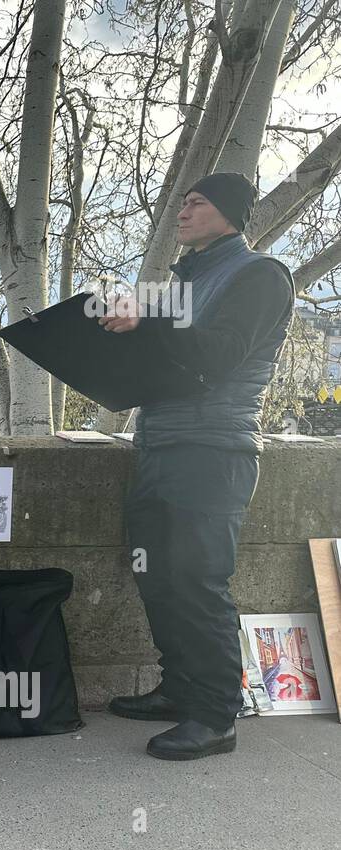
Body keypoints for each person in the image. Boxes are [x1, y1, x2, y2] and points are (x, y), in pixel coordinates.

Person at [99, 171, 295, 761]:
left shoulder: (260, 275)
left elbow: (221, 354)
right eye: (180, 204)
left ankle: (214, 717)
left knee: (200, 582)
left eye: (196, 203)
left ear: (230, 214)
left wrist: (149, 322)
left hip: (214, 453)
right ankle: (179, 687)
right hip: (158, 446)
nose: (181, 214)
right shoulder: (182, 280)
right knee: (156, 576)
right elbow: (164, 358)